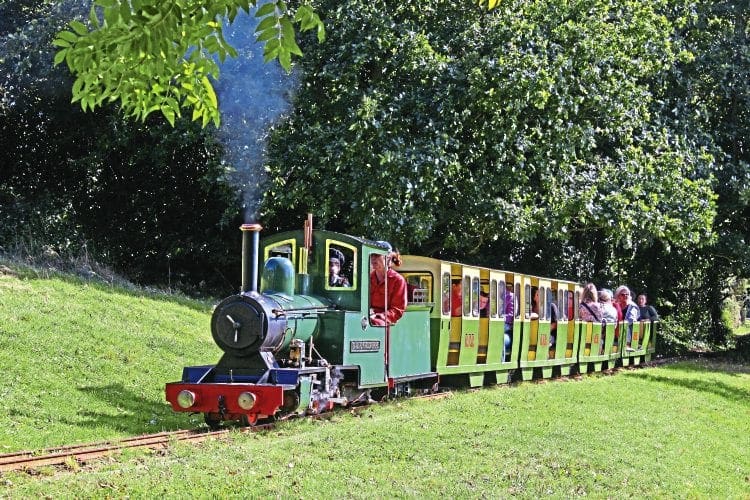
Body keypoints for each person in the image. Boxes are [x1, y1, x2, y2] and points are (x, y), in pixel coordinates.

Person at [369, 249, 407, 326]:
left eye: (377, 255)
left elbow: (397, 310)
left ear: (388, 258)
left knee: (376, 323)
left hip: (384, 321)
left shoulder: (398, 280)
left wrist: (378, 316)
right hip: (367, 316)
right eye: (371, 255)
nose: (373, 258)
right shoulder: (367, 278)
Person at [614, 285, 639, 350]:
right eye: (622, 294)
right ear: (618, 295)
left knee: (625, 325)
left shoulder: (632, 306)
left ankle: (627, 345)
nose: (625, 296)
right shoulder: (615, 305)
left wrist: (620, 324)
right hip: (616, 326)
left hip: (628, 328)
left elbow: (631, 320)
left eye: (627, 294)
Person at [504, 284, 514, 360]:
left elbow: (510, 316)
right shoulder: (490, 295)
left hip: (506, 328)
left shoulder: (511, 296)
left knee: (500, 339)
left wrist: (500, 317)